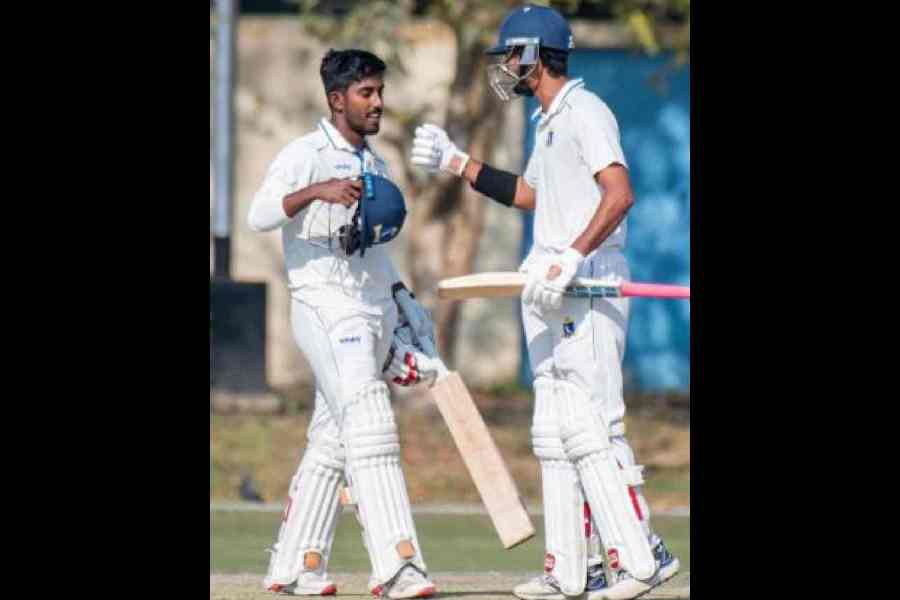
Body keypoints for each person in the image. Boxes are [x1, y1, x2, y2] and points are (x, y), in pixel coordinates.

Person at [408, 5, 680, 600]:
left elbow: (620, 195)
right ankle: (570, 569)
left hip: (587, 276)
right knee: (553, 431)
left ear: (533, 54)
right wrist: (459, 164)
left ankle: (642, 556)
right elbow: (532, 194)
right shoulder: (548, 118)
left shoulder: (586, 112)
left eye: (510, 54)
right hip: (552, 278)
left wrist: (574, 255)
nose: (504, 66)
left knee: (594, 426)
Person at [248, 48, 440, 599]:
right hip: (322, 304)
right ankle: (398, 566)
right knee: (370, 425)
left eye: (379, 92)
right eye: (366, 94)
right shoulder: (304, 154)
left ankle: (295, 565)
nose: (378, 102)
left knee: (332, 439)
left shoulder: (375, 163)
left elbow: (373, 251)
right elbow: (258, 215)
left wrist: (403, 302)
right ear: (337, 100)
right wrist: (316, 191)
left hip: (369, 306)